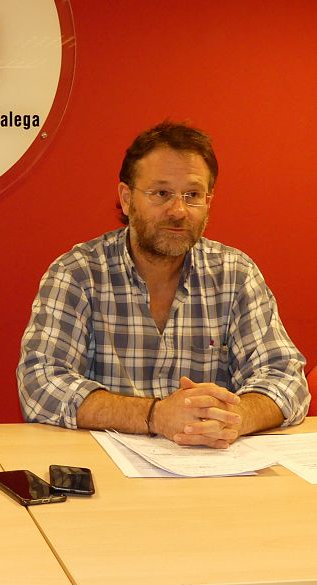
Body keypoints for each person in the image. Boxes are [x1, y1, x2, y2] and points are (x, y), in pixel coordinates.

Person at [17, 121, 309, 449]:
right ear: (126, 199)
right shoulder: (78, 274)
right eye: (161, 194)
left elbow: (285, 378)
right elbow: (40, 384)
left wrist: (234, 417)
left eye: (192, 195)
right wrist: (155, 416)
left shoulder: (235, 274)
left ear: (209, 201)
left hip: (212, 464)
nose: (178, 211)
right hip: (105, 467)